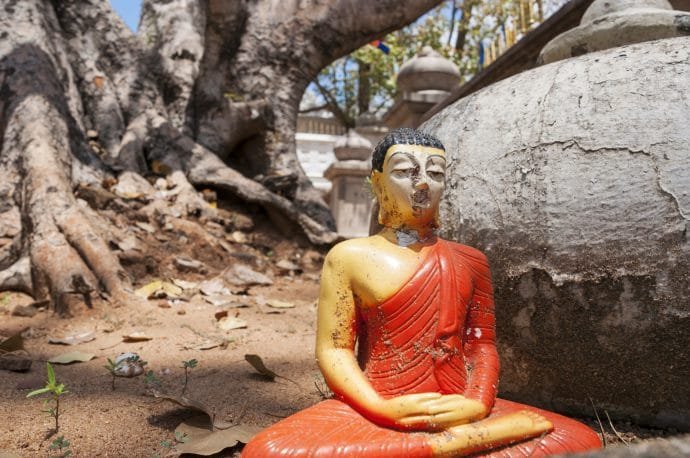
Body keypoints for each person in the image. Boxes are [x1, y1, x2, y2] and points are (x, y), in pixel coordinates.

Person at [243, 128, 601, 457]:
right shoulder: (348, 256)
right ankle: (463, 444)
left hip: (460, 407)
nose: (422, 184)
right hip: (379, 408)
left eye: (435, 173)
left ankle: (444, 442)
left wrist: (477, 403)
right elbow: (334, 350)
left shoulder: (469, 260)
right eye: (404, 172)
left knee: (579, 439)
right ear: (378, 183)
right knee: (271, 450)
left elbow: (481, 346)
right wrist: (381, 408)